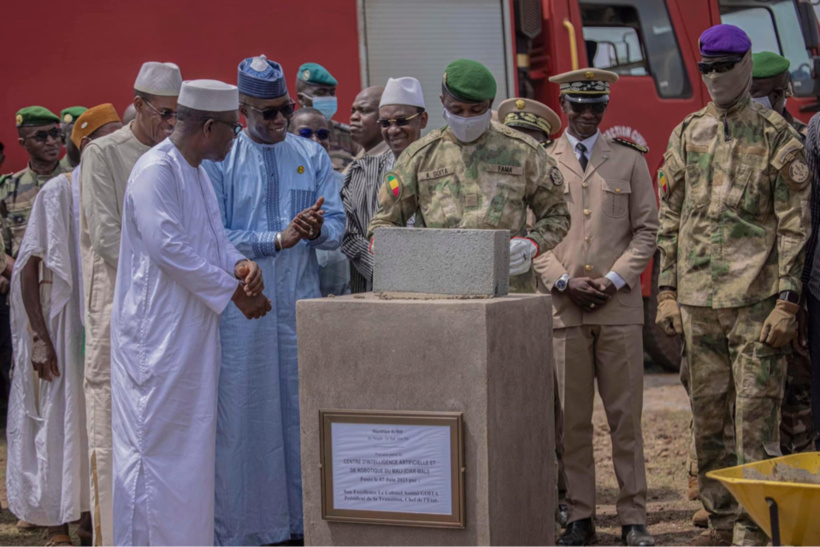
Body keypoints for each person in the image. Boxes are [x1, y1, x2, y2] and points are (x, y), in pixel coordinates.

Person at [656, 24, 810, 546]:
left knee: (756, 425)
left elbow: (795, 226)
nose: (716, 77)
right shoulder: (687, 133)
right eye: (707, 69)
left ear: (745, 66)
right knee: (708, 423)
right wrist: (666, 291)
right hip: (698, 304)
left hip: (757, 305)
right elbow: (671, 217)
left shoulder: (776, 136)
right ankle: (721, 523)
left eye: (725, 67)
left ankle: (755, 530)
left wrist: (787, 301)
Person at [111, 79, 270, 546]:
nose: (236, 138)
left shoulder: (196, 172)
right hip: (155, 340)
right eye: (233, 130)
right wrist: (234, 293)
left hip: (192, 334)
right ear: (208, 128)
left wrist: (239, 265)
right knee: (154, 453)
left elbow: (213, 241)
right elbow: (168, 248)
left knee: (190, 454)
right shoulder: (155, 171)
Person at [204, 55, 344, 545]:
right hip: (245, 313)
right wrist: (276, 239)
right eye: (268, 113)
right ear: (243, 111)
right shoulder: (221, 161)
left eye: (284, 108)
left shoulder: (312, 155)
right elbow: (214, 236)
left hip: (301, 307)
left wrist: (317, 229)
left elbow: (338, 226)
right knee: (246, 417)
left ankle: (307, 525)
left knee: (305, 413)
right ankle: (249, 529)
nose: (281, 119)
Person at [530, 70, 658, 547]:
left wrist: (614, 278)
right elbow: (529, 235)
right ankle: (580, 516)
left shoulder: (628, 160)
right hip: (565, 309)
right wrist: (563, 281)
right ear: (563, 106)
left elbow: (647, 230)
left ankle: (634, 518)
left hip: (617, 307)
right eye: (579, 106)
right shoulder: (541, 161)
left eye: (596, 107)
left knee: (626, 420)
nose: (587, 115)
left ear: (605, 108)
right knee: (573, 423)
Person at [6, 104, 121, 547]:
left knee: (96, 422)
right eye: (113, 139)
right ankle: (58, 523)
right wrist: (39, 336)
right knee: (58, 420)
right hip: (60, 328)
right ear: (88, 145)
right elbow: (29, 269)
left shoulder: (122, 186)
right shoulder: (58, 192)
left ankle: (91, 517)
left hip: (102, 327)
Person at [79, 60, 181, 546]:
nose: (172, 124)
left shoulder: (178, 156)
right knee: (109, 422)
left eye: (180, 115)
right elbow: (106, 237)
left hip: (167, 313)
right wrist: (171, 274)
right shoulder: (103, 154)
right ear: (138, 105)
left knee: (162, 422)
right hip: (116, 306)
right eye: (165, 113)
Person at [367, 59, 570, 293]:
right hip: (438, 291)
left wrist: (532, 244)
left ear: (490, 103)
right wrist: (386, 245)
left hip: (508, 290)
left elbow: (557, 215)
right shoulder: (420, 156)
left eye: (476, 110)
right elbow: (384, 222)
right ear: (442, 101)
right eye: (456, 110)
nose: (466, 118)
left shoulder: (523, 152)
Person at [342, 77, 427, 293]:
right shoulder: (361, 172)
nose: (393, 130)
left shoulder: (441, 169)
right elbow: (349, 235)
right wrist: (384, 270)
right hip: (375, 289)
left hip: (432, 283)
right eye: (385, 123)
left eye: (402, 121)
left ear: (423, 120)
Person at [289, 107, 350, 296]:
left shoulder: (344, 183)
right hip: (298, 287)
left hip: (339, 288)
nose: (316, 141)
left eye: (323, 134)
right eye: (305, 133)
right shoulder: (283, 183)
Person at [295, 62, 359, 171]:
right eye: (321, 93)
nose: (328, 98)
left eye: (332, 93)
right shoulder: (286, 134)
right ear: (301, 98)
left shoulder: (348, 136)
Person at [751, 51, 807, 139]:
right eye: (743, 91)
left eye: (752, 91)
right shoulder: (731, 132)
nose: (744, 98)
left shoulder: (804, 138)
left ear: (777, 95)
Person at [347, 86, 388, 170]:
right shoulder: (362, 156)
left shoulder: (392, 160)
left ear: (385, 116)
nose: (354, 117)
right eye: (353, 111)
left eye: (364, 111)